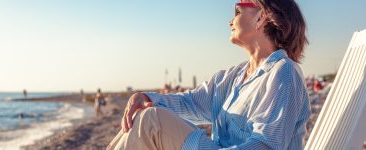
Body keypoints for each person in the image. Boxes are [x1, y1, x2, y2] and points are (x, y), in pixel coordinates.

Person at [107, 0, 311, 149]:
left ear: (261, 17)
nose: (231, 21)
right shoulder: (234, 77)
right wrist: (147, 98)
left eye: (238, 10)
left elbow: (265, 145)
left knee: (152, 120)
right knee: (145, 115)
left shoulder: (284, 72)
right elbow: (191, 103)